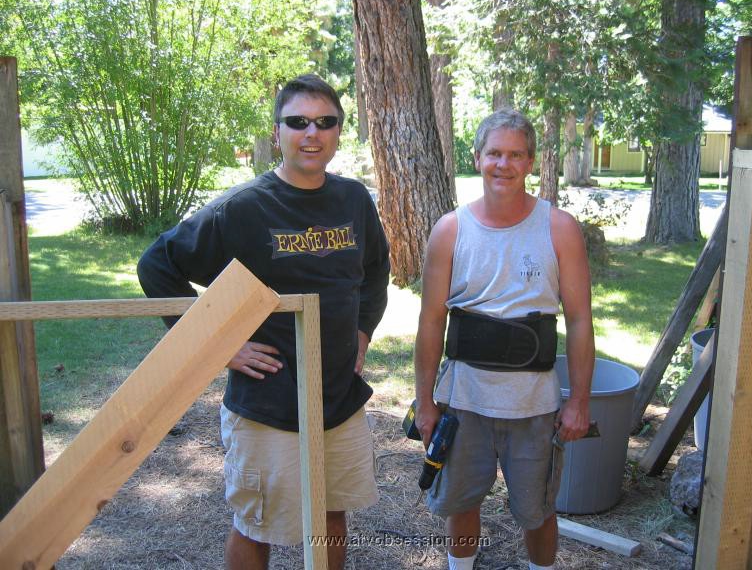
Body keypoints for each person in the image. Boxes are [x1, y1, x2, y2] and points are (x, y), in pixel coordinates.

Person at [137, 74, 390, 570]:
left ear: (339, 132)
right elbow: (156, 264)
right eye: (297, 122)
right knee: (258, 526)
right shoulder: (245, 208)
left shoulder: (353, 200)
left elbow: (376, 270)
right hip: (270, 402)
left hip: (338, 398)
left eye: (325, 122)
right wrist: (219, 346)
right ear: (277, 133)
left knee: (332, 513)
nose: (311, 133)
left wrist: (363, 331)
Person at [413, 109, 594, 570]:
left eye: (515, 155)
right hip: (465, 401)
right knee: (460, 503)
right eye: (494, 153)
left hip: (533, 404)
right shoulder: (450, 230)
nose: (504, 164)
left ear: (530, 162)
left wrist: (578, 402)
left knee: (537, 512)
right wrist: (426, 402)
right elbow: (431, 321)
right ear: (477, 158)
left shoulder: (560, 229)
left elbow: (578, 320)